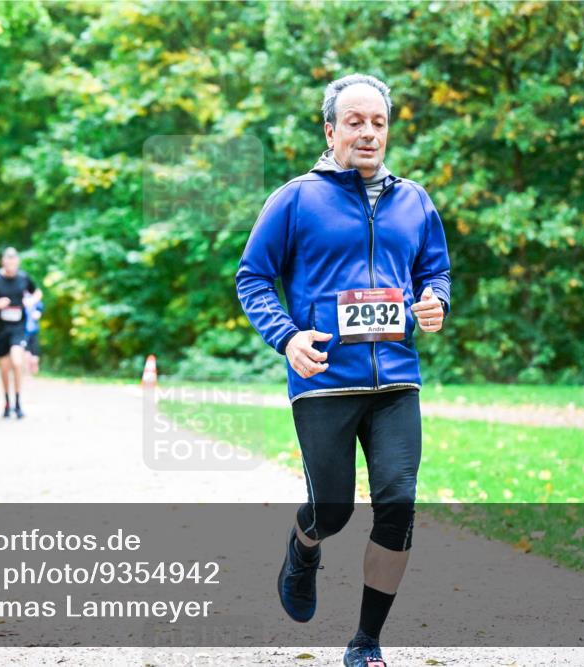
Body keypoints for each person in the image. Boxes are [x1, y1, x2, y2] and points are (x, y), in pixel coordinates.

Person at [235, 73, 451, 667]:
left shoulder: (415, 201)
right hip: (325, 380)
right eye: (354, 121)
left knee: (398, 504)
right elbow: (252, 277)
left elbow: (436, 273)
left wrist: (436, 303)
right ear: (330, 130)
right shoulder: (296, 198)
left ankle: (366, 641)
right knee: (333, 511)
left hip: (396, 382)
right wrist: (287, 337)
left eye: (378, 122)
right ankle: (304, 547)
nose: (368, 132)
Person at [0, 247, 42, 419]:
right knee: (5, 368)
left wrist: (31, 300)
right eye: (8, 260)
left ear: (17, 262)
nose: (11, 263)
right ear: (3, 261)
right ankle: (7, 401)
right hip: (1, 329)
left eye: (14, 260)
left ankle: (19, 402)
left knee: (17, 361)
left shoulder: (23, 278)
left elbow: (37, 292)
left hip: (18, 328)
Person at [24, 296, 43, 376]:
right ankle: (28, 371)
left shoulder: (37, 302)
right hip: (25, 331)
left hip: (32, 331)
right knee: (27, 352)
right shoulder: (21, 299)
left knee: (33, 353)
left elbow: (37, 314)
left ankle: (33, 370)